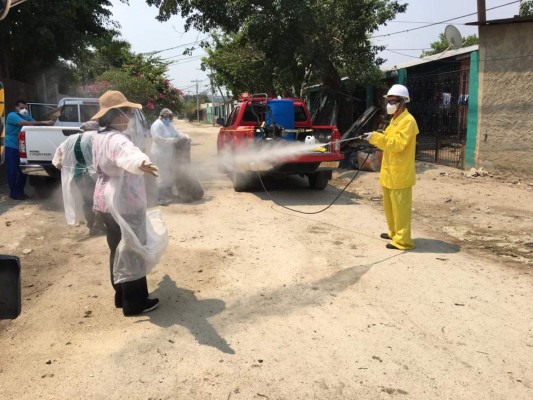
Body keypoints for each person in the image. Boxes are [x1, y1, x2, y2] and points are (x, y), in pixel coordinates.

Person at [91, 90, 168, 316]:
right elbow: (130, 155)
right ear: (115, 115)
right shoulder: (117, 139)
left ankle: (120, 295)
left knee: (117, 248)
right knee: (133, 251)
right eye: (126, 112)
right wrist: (142, 162)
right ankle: (135, 302)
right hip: (125, 203)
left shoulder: (99, 137)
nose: (129, 116)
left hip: (105, 202)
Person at [363, 84, 419, 250]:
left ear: (402, 102)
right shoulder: (395, 120)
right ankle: (394, 233)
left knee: (401, 209)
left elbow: (397, 144)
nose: (390, 104)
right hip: (389, 172)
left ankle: (403, 241)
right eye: (389, 101)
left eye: (393, 101)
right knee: (389, 207)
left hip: (400, 173)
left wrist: (376, 139)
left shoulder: (408, 121)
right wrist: (374, 136)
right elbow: (387, 138)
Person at [52, 120, 103, 236]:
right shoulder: (97, 137)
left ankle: (92, 225)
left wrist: (60, 165)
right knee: (98, 200)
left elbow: (58, 153)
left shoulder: (71, 138)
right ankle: (96, 225)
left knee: (88, 200)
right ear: (95, 129)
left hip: (78, 175)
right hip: (94, 175)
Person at [150, 108, 202, 205]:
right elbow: (157, 139)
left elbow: (176, 134)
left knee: (169, 174)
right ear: (164, 115)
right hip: (160, 154)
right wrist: (173, 140)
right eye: (169, 117)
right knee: (163, 175)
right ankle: (161, 198)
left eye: (171, 117)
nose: (170, 119)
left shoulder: (168, 124)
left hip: (168, 153)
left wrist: (185, 136)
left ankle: (169, 194)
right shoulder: (157, 125)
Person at [5, 99, 54, 200]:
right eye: (21, 108)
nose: (24, 110)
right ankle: (14, 193)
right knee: (12, 171)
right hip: (11, 146)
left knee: (24, 171)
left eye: (25, 108)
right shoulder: (12, 115)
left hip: (22, 147)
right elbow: (26, 123)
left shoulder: (25, 115)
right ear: (16, 108)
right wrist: (44, 122)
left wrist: (46, 123)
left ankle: (20, 191)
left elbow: (33, 123)